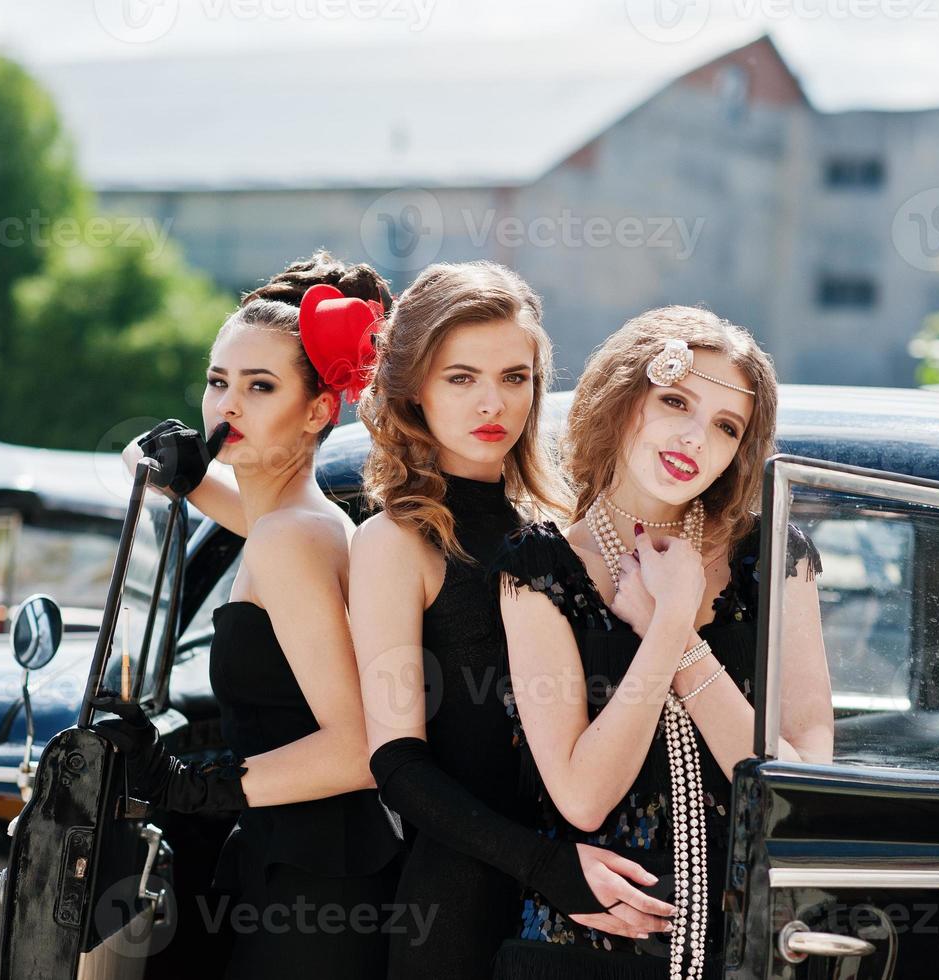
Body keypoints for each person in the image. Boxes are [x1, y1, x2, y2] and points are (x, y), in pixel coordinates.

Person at [349, 261, 679, 980]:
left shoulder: (564, 526)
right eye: (460, 377)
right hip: (466, 900)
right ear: (413, 390)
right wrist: (545, 865)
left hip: (606, 891)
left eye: (514, 376)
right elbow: (398, 766)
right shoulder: (396, 539)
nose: (491, 402)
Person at [492, 307, 835, 978]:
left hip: (753, 948)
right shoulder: (538, 568)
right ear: (623, 400)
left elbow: (797, 788)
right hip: (588, 950)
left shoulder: (772, 557)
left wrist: (679, 638)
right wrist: (672, 616)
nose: (693, 437)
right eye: (675, 400)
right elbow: (583, 796)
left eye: (725, 426)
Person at [91, 252, 402, 977]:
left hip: (314, 888)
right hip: (320, 863)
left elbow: (358, 748)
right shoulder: (299, 522)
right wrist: (196, 480)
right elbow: (261, 527)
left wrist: (189, 786)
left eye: (260, 386)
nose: (226, 406)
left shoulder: (291, 535)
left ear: (320, 411)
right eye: (217, 380)